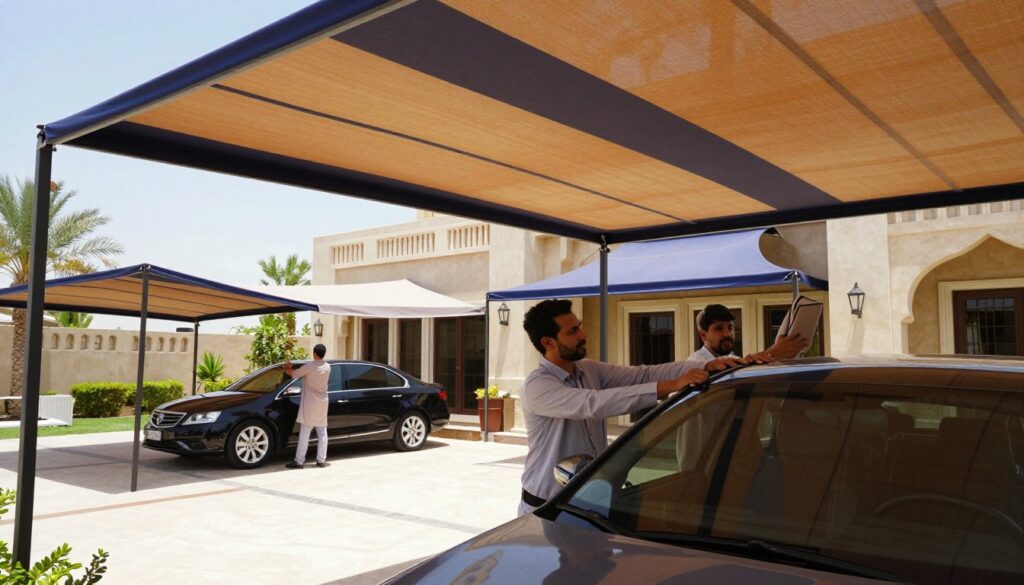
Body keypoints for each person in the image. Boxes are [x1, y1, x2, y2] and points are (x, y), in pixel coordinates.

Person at [518, 299, 708, 516]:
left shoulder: (589, 370)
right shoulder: (537, 385)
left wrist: (705, 365)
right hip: (545, 508)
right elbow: (593, 404)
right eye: (572, 331)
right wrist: (671, 386)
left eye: (579, 326)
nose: (582, 334)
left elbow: (643, 374)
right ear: (548, 342)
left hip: (589, 503)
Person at [684, 303, 809, 373]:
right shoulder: (696, 362)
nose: (727, 334)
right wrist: (773, 353)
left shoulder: (734, 359)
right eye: (719, 328)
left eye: (730, 327)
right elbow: (722, 374)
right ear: (703, 335)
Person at [283, 343, 331, 469]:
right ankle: (321, 460)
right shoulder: (327, 367)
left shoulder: (309, 367)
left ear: (314, 353)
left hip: (310, 404)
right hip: (322, 403)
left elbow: (292, 374)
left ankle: (299, 461)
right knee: (322, 432)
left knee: (305, 432)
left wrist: (287, 367)